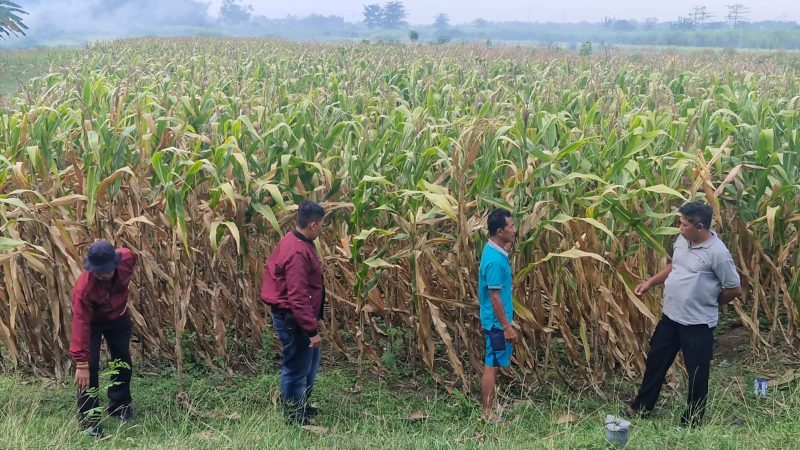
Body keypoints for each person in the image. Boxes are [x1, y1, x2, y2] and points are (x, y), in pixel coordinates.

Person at [624, 201, 742, 427]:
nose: (680, 228)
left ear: (700, 226)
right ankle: (642, 407)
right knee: (656, 362)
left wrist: (711, 303)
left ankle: (692, 421)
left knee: (697, 373)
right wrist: (650, 282)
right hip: (671, 318)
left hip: (697, 325)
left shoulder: (718, 253)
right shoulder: (683, 240)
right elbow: (674, 265)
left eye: (684, 224)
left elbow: (734, 288)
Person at [261, 200, 326, 425]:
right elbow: (298, 296)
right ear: (313, 224)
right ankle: (293, 416)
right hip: (294, 318)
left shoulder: (296, 240)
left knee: (308, 364)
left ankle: (301, 405)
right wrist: (311, 330)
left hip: (299, 317)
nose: (322, 229)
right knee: (296, 367)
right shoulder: (298, 251)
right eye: (321, 225)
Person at [70, 239, 138, 437]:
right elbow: (80, 324)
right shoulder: (84, 288)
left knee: (122, 360)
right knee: (89, 368)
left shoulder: (126, 258)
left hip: (118, 317)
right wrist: (81, 364)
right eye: (97, 271)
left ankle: (120, 406)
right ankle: (89, 419)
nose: (101, 274)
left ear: (115, 263)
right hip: (91, 323)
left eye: (105, 270)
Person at [478, 208, 519, 423]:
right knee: (491, 365)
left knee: (493, 362)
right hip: (496, 323)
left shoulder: (495, 249)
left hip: (496, 321)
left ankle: (492, 407)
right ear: (500, 231)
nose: (515, 229)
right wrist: (507, 327)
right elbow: (494, 297)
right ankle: (487, 413)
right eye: (511, 227)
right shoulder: (494, 261)